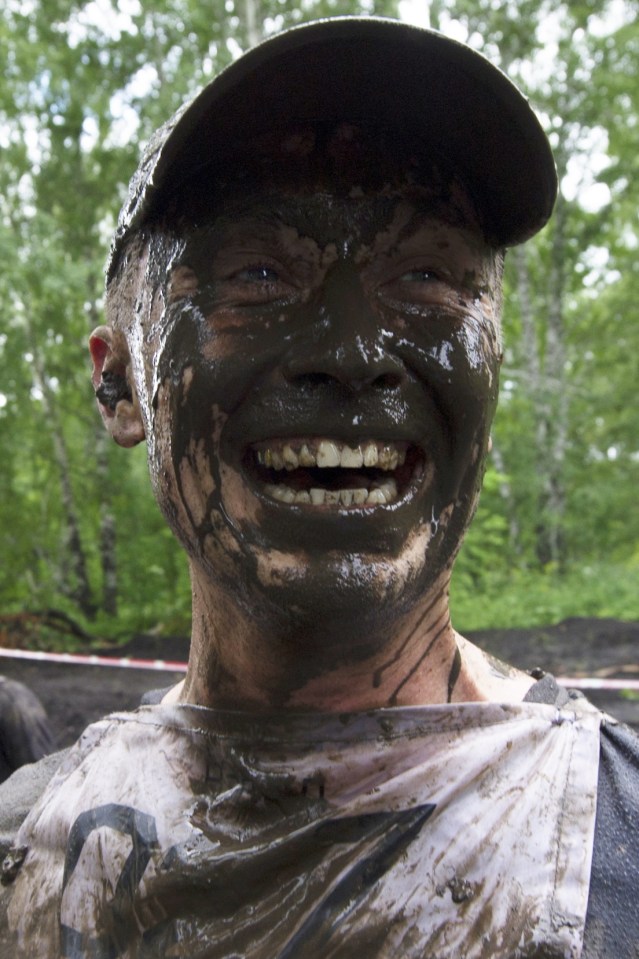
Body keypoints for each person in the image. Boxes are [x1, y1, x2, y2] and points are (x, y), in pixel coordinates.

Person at [0, 16, 637, 958]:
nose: (352, 353)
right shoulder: (21, 846)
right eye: (258, 274)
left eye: (426, 279)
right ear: (119, 379)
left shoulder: (614, 828)